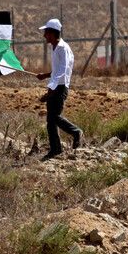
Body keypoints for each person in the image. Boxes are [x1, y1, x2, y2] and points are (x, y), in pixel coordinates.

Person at [36, 18, 83, 160]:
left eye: (46, 33)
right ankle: (55, 150)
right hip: (54, 85)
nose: (44, 36)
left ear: (52, 33)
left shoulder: (63, 48)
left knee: (55, 117)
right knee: (50, 120)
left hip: (60, 87)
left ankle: (77, 132)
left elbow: (64, 70)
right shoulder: (53, 47)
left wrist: (52, 87)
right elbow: (57, 70)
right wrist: (46, 75)